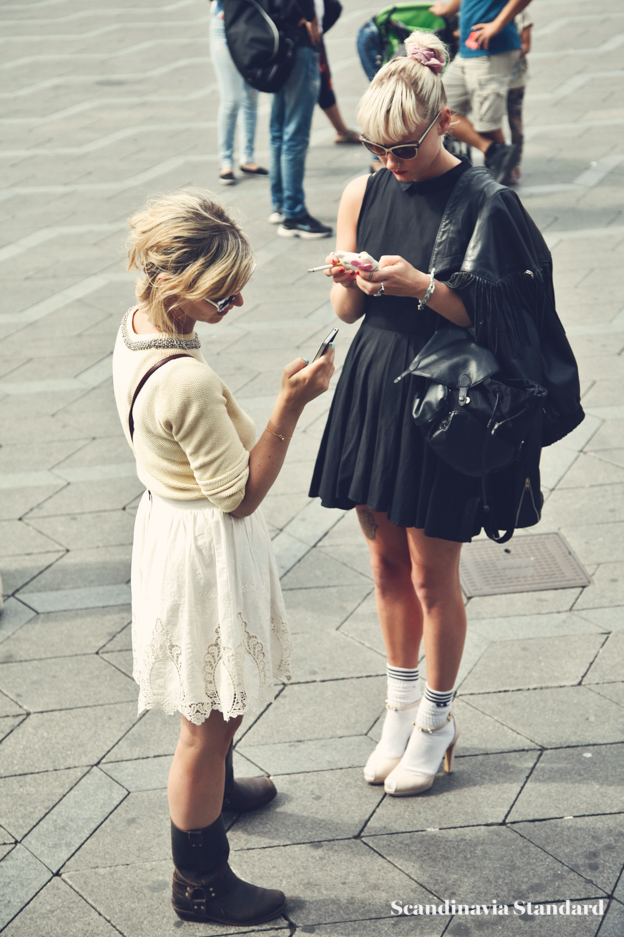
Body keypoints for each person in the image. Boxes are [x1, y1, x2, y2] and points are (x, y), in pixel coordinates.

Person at [309, 32, 583, 797]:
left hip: (446, 400)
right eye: (377, 147)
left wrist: (423, 284)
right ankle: (397, 707)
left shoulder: (487, 199)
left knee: (434, 575)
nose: (390, 162)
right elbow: (347, 308)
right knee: (384, 563)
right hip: (375, 387)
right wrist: (351, 276)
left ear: (440, 122)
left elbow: (507, 318)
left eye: (403, 147)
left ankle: (436, 717)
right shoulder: (362, 192)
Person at [113, 189, 334, 924]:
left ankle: (220, 784)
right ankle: (199, 879)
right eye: (222, 290)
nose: (237, 300)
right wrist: (290, 407)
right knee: (204, 718)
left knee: (211, 693)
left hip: (168, 525)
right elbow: (240, 494)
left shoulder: (140, 326)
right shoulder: (187, 380)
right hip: (202, 543)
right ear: (173, 281)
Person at [431, 0, 531, 182]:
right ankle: (495, 152)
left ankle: (502, 173)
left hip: (491, 51)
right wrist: (446, 11)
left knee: (487, 123)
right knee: (435, 107)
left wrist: (497, 24)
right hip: (468, 50)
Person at [269, 0, 333, 239]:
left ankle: (281, 205)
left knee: (279, 130)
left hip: (277, 41)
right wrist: (311, 18)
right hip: (298, 42)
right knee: (295, 134)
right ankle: (294, 215)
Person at [210, 0, 267, 186]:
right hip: (224, 25)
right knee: (231, 100)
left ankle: (247, 159)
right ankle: (225, 163)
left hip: (253, 26)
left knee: (250, 97)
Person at [506, 7, 532, 184]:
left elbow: (526, 46)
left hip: (515, 80)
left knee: (515, 122)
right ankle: (496, 159)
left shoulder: (522, 14)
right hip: (489, 77)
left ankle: (514, 165)